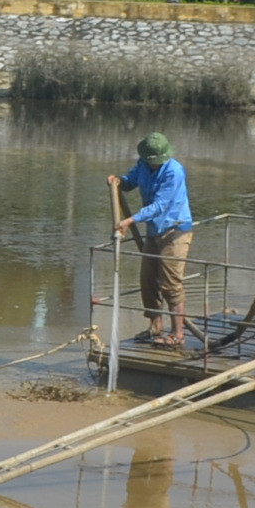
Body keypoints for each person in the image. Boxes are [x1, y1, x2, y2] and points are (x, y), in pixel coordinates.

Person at [109, 132, 195, 351]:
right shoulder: (143, 164)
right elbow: (130, 182)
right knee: (147, 278)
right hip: (154, 230)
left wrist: (130, 220)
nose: (154, 163)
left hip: (174, 229)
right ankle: (155, 325)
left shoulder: (173, 171)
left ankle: (177, 334)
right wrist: (118, 181)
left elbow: (160, 206)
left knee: (171, 283)